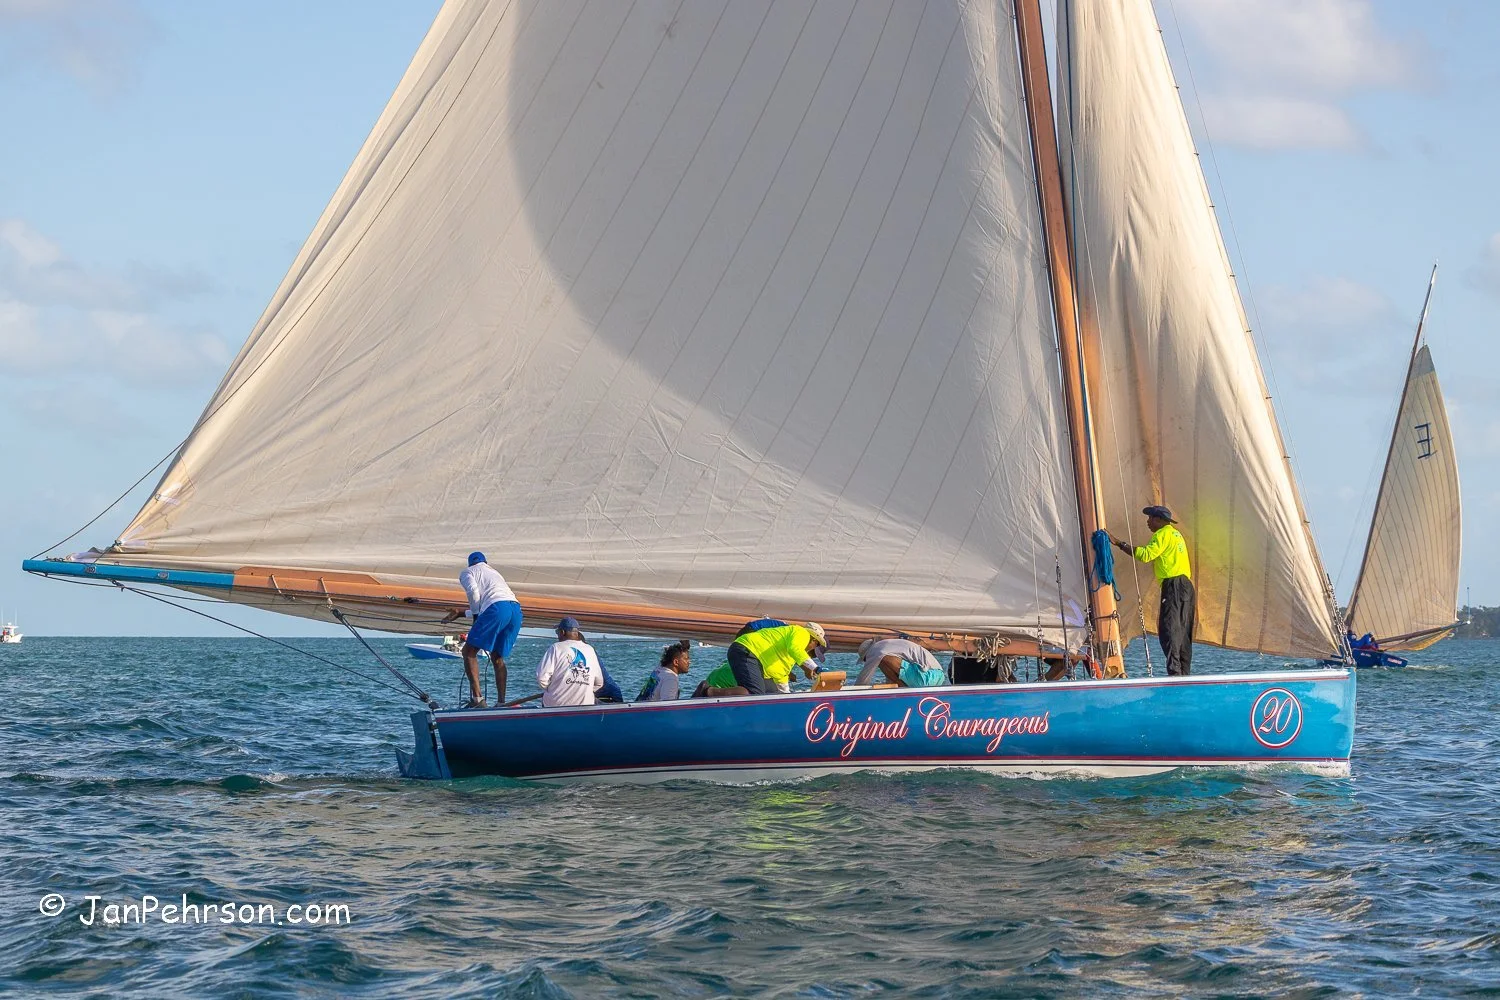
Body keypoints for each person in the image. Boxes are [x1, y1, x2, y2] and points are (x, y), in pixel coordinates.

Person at [1110, 505, 1195, 676]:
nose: (1148, 522)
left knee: (1168, 629)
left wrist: (1119, 543)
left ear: (1160, 520)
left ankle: (1175, 674)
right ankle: (1184, 675)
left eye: (1150, 518)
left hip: (1173, 585)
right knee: (1183, 631)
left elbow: (1145, 555)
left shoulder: (1162, 534)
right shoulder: (1176, 534)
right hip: (1186, 586)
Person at [442, 551, 522, 707]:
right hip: (515, 610)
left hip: (497, 609)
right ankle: (501, 703)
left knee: (468, 652)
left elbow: (473, 592)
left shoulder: (467, 572)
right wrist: (461, 613)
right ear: (486, 562)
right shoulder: (494, 573)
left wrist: (476, 615)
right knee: (497, 657)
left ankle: (478, 700)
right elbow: (494, 602)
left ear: (470, 563)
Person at [728, 621, 827, 694]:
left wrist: (787, 700)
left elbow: (781, 678)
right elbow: (795, 649)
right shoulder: (801, 633)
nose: (812, 651)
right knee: (755, 692)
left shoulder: (788, 657)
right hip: (746, 649)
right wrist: (814, 667)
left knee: (771, 692)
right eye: (817, 645)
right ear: (813, 640)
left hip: (751, 655)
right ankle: (714, 692)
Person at [536, 616, 604, 707]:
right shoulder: (590, 649)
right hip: (585, 704)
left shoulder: (556, 647)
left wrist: (553, 689)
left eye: (557, 632)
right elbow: (599, 683)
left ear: (562, 632)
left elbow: (541, 678)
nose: (557, 635)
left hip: (556, 703)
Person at [855, 637, 946, 687]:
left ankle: (904, 688)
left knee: (882, 661)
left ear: (867, 654)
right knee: (883, 660)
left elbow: (864, 676)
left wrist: (856, 691)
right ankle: (902, 687)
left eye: (865, 660)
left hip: (926, 678)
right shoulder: (888, 644)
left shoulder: (876, 650)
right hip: (939, 676)